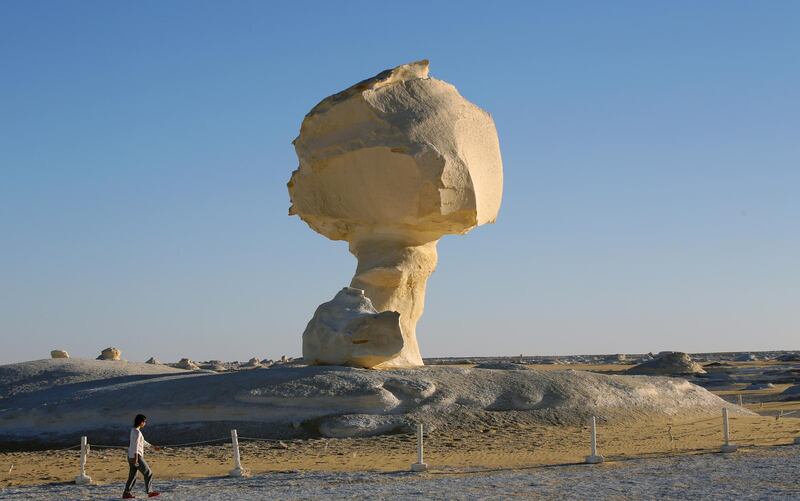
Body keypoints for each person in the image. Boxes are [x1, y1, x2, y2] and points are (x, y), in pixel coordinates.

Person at [122, 414, 161, 499]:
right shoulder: (137, 432)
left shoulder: (134, 430)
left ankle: (126, 493)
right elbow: (136, 446)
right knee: (148, 473)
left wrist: (153, 447)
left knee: (132, 476)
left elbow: (143, 442)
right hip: (136, 457)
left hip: (131, 456)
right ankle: (150, 492)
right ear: (141, 422)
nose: (145, 423)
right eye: (145, 421)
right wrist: (136, 459)